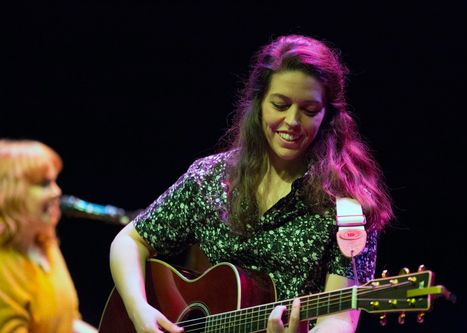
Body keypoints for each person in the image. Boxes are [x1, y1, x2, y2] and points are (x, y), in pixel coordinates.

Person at [109, 34, 393, 333]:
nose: (293, 121)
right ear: (258, 104)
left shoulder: (346, 207)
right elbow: (130, 241)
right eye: (280, 105)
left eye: (309, 110)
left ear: (328, 116)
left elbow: (339, 319)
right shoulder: (210, 178)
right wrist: (139, 309)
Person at [0, 139, 97, 333]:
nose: (57, 192)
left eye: (54, 181)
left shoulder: (45, 244)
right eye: (44, 184)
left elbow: (69, 323)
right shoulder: (4, 267)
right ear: (10, 193)